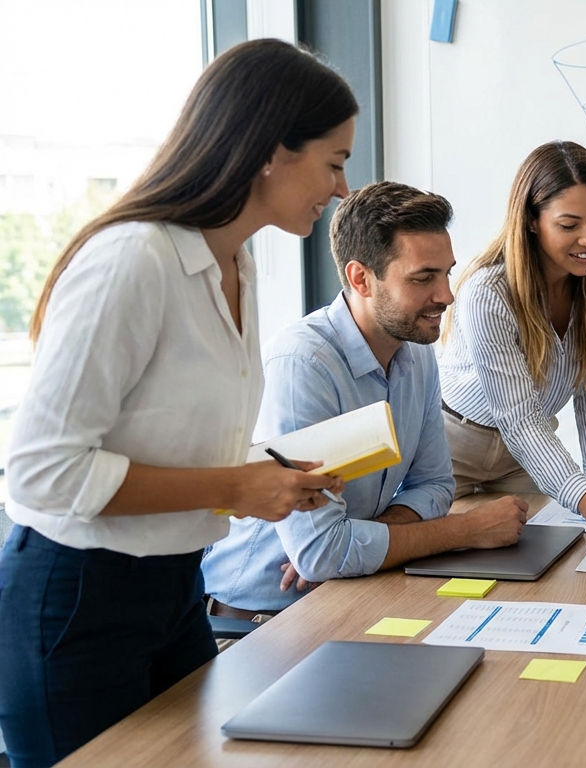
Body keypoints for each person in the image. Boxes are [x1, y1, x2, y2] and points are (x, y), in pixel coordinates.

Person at [0, 39, 356, 768]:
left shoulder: (239, 265)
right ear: (270, 150)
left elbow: (171, 442)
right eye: (334, 161)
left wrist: (274, 479)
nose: (343, 188)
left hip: (174, 588)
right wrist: (234, 487)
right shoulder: (134, 260)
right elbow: (40, 473)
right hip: (76, 601)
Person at [201, 182, 528, 616]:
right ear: (361, 279)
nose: (446, 295)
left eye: (446, 273)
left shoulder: (418, 353)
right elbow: (320, 556)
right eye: (423, 278)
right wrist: (465, 530)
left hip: (357, 587)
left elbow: (435, 485)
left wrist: (363, 538)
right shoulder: (304, 363)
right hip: (263, 614)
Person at [438, 141, 586, 556]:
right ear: (532, 221)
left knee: (544, 557)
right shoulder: (488, 292)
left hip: (523, 455)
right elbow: (519, 419)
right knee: (447, 559)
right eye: (569, 225)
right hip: (453, 448)